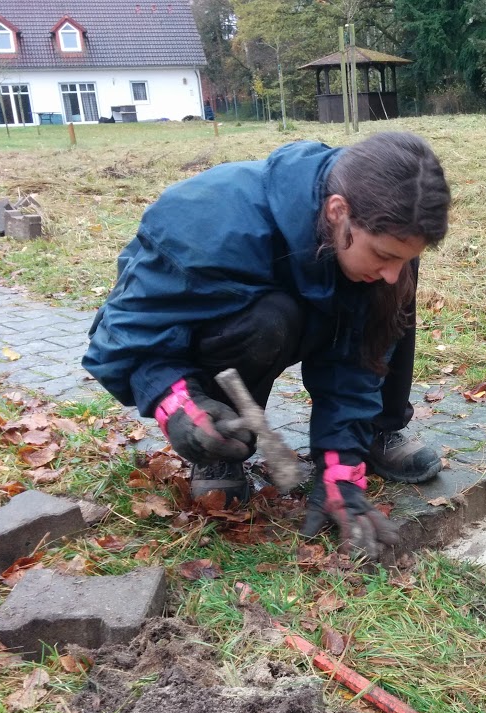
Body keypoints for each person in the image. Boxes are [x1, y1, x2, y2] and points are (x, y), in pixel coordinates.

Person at [82, 131, 451, 557]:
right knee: (269, 319)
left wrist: (340, 466)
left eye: (404, 256)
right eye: (384, 255)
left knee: (391, 291)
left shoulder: (382, 237)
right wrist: (175, 402)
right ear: (338, 211)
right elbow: (120, 336)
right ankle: (220, 444)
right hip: (236, 313)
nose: (392, 271)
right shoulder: (210, 223)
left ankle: (371, 434)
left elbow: (357, 361)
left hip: (319, 282)